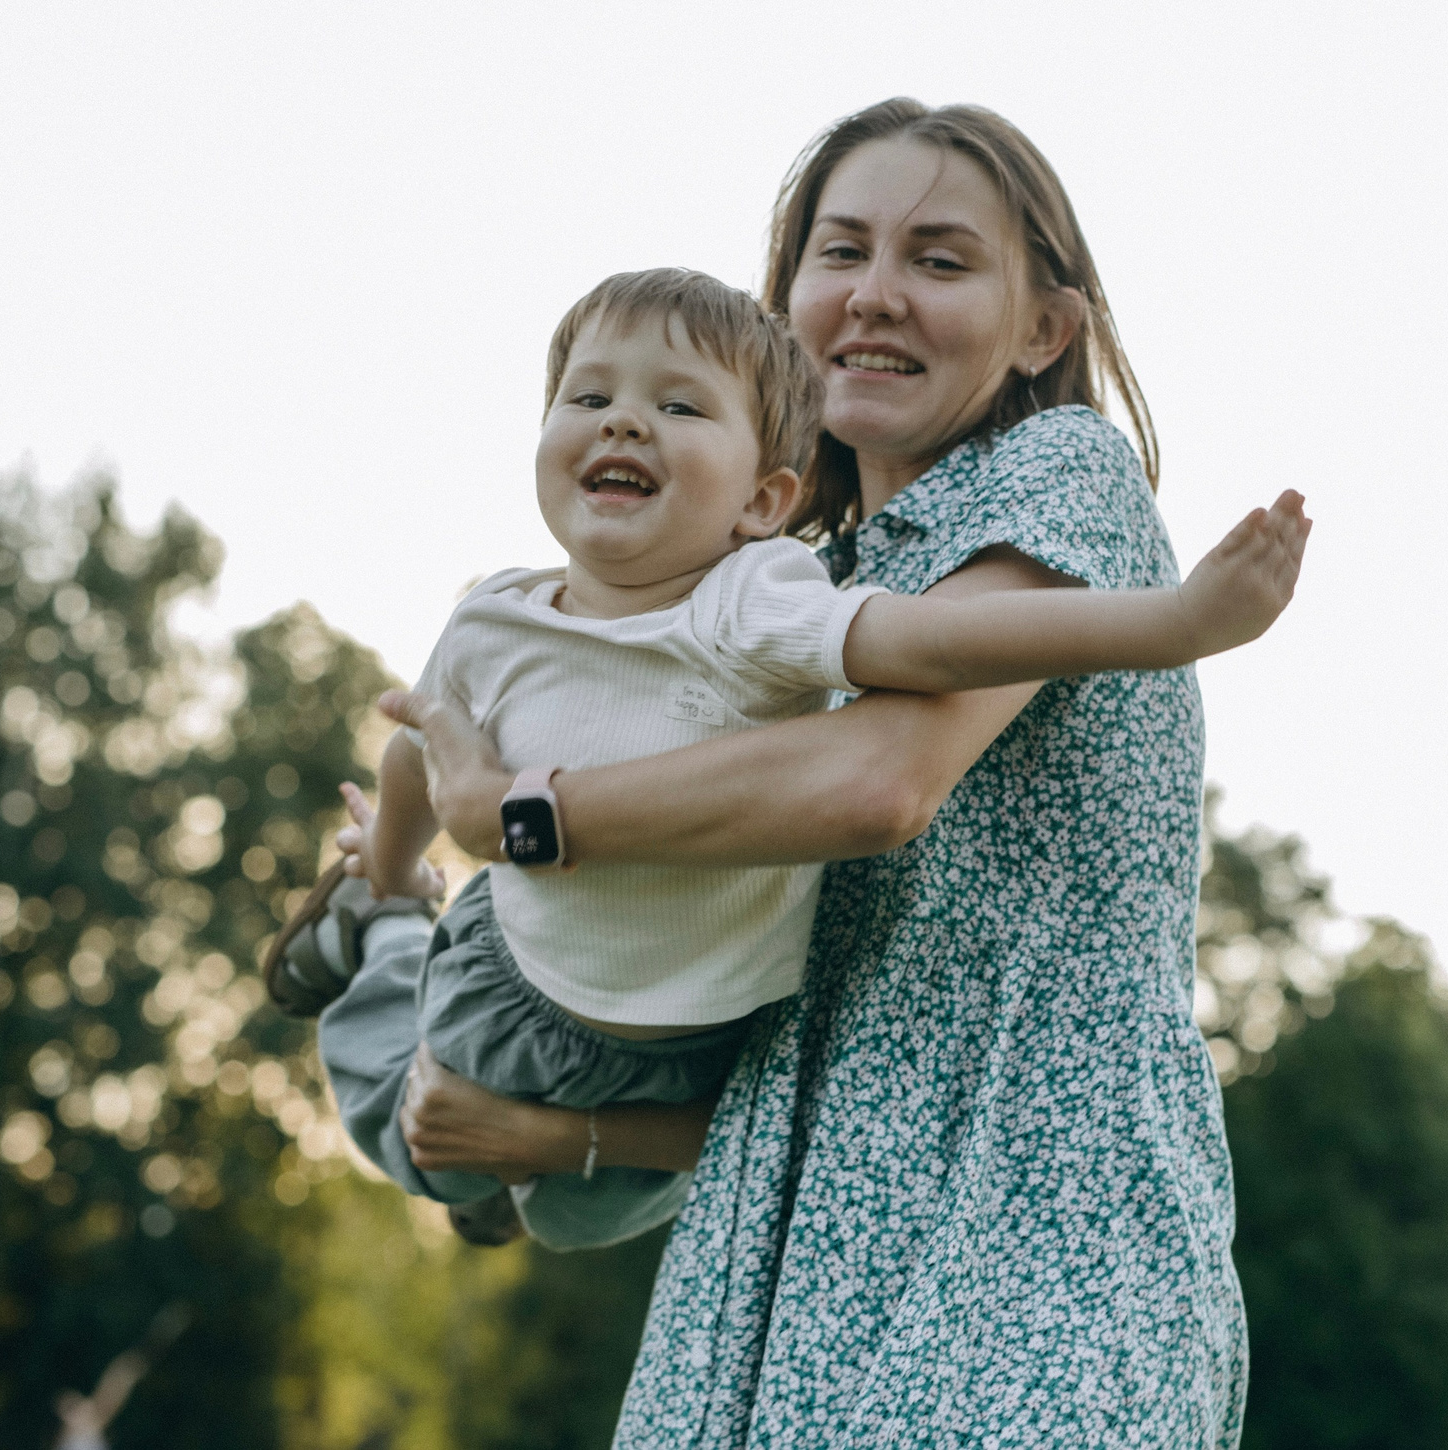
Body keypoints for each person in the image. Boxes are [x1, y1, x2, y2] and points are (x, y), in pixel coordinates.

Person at [359, 99, 1260, 1444]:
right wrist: (555, 1137)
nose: (876, 296)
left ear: (1042, 330)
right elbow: (811, 1060)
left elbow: (881, 780)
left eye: (941, 261)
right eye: (840, 254)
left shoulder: (1060, 472)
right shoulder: (788, 593)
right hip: (775, 1286)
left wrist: (525, 812)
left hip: (1036, 1251)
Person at [274, 266, 1307, 1251]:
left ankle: (512, 1171)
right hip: (524, 992)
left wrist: (1174, 624)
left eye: (679, 408)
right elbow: (420, 750)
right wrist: (399, 865)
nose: (624, 420)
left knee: (573, 1216)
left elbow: (936, 644)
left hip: (705, 1048)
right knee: (420, 1140)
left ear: (764, 501)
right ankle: (387, 931)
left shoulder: (753, 604)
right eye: (589, 395)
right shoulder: (493, 620)